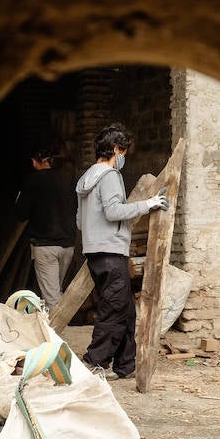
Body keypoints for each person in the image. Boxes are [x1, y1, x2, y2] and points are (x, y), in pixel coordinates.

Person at [75, 123, 169, 380]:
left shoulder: (86, 178)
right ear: (116, 149)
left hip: (95, 250)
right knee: (113, 310)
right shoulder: (110, 177)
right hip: (111, 252)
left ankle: (126, 364)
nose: (124, 158)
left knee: (126, 308)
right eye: (124, 152)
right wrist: (148, 204)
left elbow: (80, 222)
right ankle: (95, 361)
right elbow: (114, 211)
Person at [13, 143, 77, 311]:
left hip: (45, 246)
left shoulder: (32, 181)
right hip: (68, 246)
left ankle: (57, 334)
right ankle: (58, 328)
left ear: (35, 162)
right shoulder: (68, 180)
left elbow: (21, 214)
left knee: (52, 297)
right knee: (56, 292)